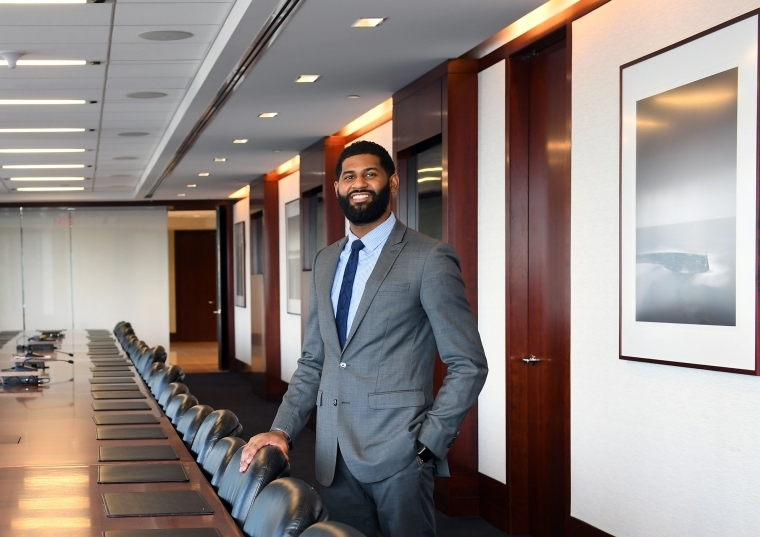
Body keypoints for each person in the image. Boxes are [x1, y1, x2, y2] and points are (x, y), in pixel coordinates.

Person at [239, 140, 488, 537]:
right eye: (349, 176)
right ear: (337, 187)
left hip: (400, 453)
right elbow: (314, 360)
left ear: (392, 183)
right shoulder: (325, 262)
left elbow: (468, 363)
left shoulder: (429, 257)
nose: (359, 183)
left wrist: (429, 443)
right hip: (332, 457)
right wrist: (281, 429)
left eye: (370, 174)